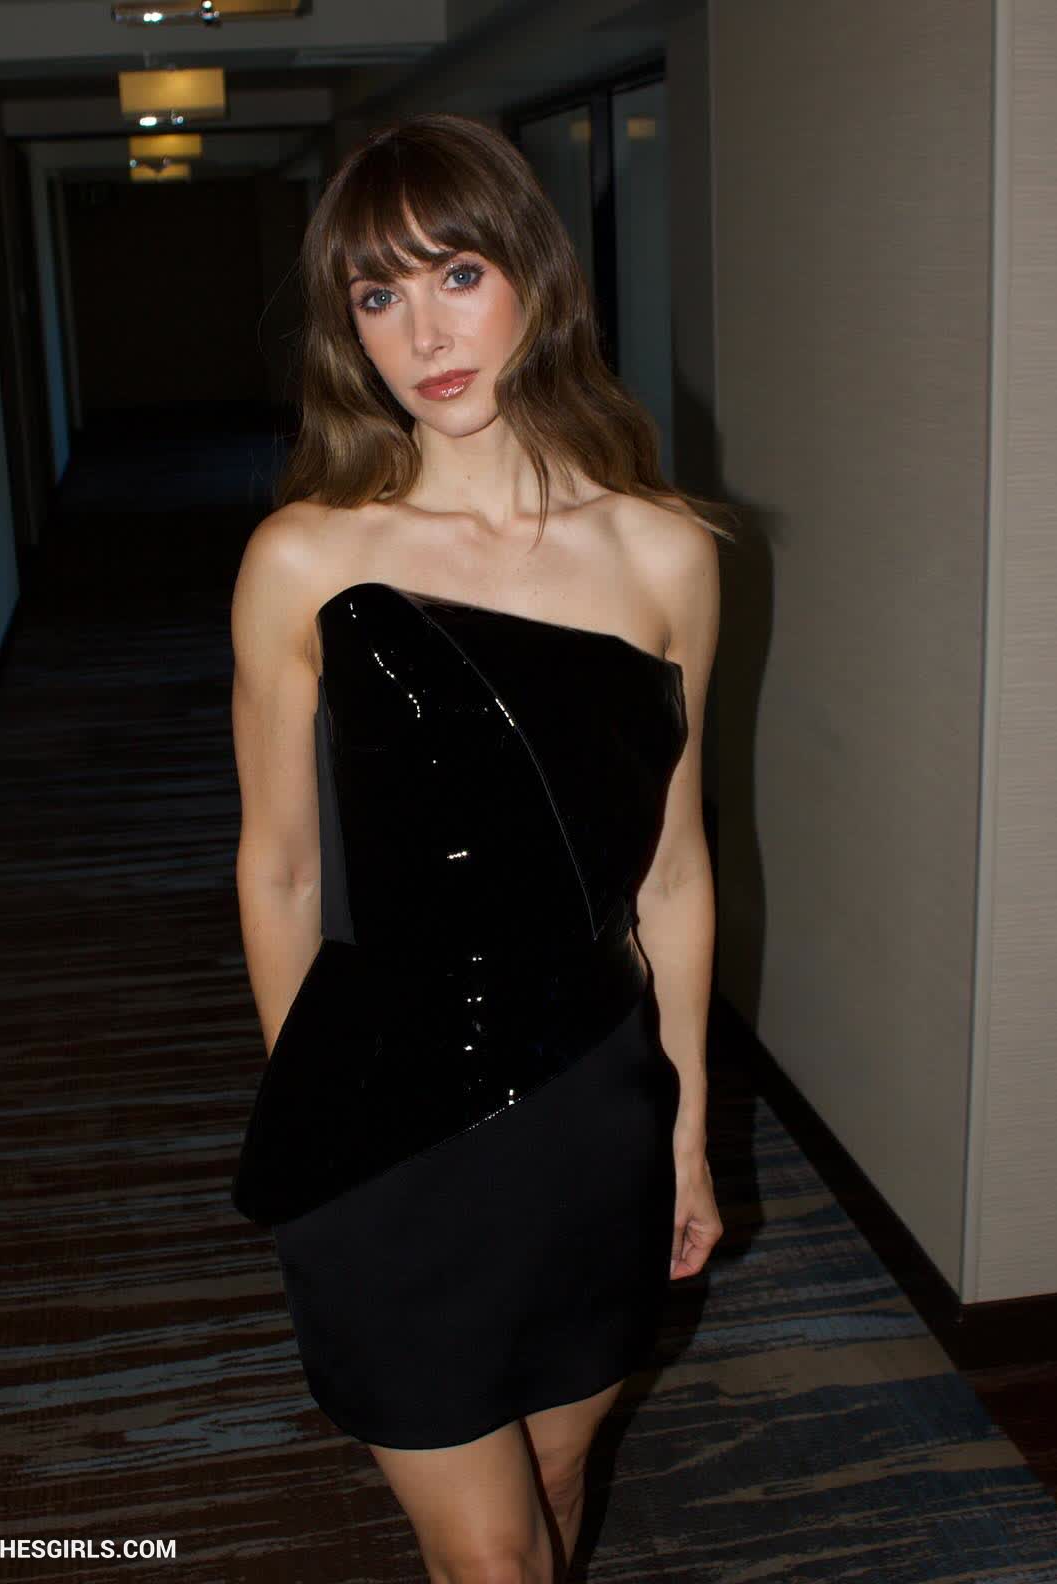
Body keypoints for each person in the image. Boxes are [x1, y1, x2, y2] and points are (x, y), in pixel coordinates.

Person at [228, 111, 732, 1582]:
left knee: (563, 1478)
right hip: (380, 1117)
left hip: (592, 1103)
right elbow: (281, 868)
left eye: (457, 274)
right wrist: (310, 1113)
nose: (424, 334)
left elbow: (673, 871)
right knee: (493, 1558)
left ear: (532, 276)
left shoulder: (663, 553)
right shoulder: (307, 557)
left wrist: (686, 1126)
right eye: (378, 295)